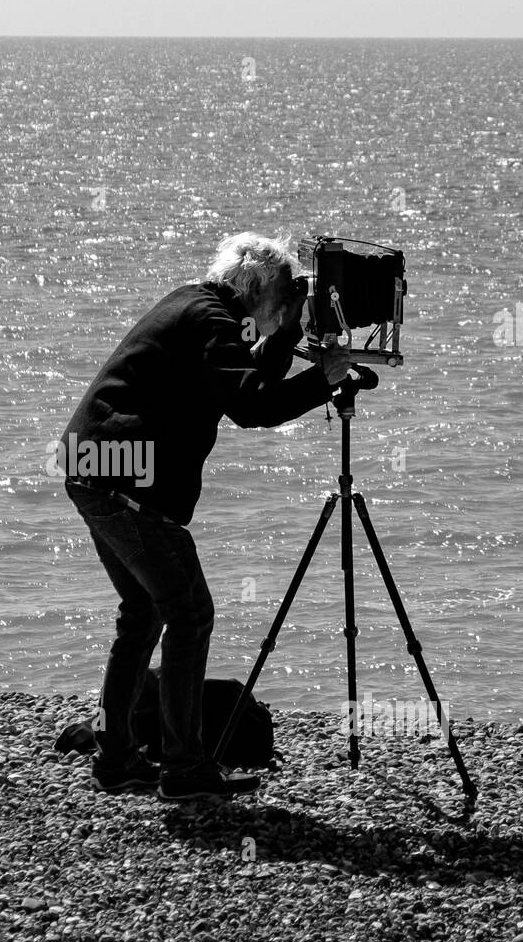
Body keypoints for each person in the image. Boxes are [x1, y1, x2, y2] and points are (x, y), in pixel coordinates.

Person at [60, 232, 355, 801]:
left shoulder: (194, 305)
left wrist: (287, 329)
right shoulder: (213, 323)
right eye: (286, 297)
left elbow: (245, 384)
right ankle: (184, 768)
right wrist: (324, 378)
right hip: (125, 485)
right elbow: (252, 408)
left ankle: (118, 759)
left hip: (90, 467)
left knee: (143, 612)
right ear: (263, 292)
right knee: (189, 616)